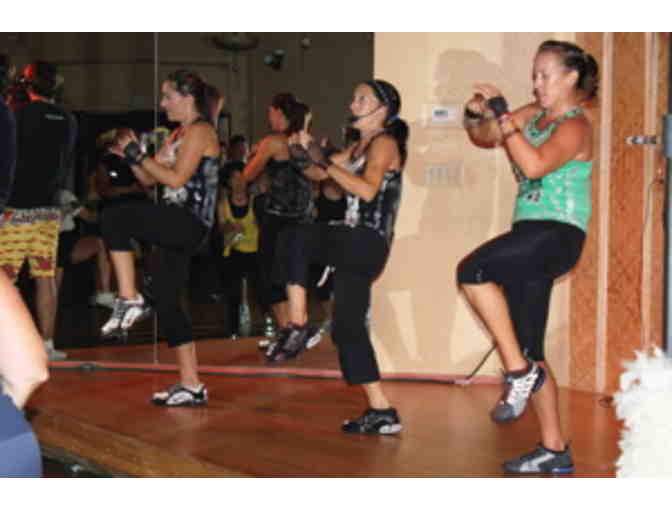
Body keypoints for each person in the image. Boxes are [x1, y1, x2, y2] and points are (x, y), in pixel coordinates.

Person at [459, 40, 598, 474]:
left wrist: (503, 114)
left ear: (571, 78)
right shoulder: (533, 115)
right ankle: (554, 449)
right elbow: (486, 136)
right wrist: (477, 114)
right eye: (534, 75)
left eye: (545, 75)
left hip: (558, 233)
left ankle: (518, 373)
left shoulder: (576, 126)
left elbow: (535, 165)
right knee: (530, 348)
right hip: (530, 235)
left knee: (471, 270)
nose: (536, 83)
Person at [270, 79, 408, 435]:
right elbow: (319, 173)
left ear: (383, 110)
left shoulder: (385, 143)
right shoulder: (357, 146)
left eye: (362, 99)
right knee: (348, 329)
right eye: (353, 98)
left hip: (366, 240)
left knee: (295, 235)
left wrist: (324, 163)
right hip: (353, 244)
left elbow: (367, 189)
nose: (353, 103)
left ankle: (298, 323)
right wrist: (302, 153)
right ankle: (381, 410)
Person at [100, 70, 220, 407]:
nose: (163, 103)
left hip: (189, 222)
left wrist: (141, 157)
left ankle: (128, 297)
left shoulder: (200, 131)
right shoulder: (178, 134)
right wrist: (131, 157)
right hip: (174, 222)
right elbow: (150, 180)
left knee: (114, 218)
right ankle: (191, 385)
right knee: (168, 301)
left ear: (187, 98)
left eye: (168, 96)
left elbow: (177, 179)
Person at [0, 60, 77, 362]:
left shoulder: (16, 115)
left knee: (5, 280)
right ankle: (47, 344)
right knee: (45, 277)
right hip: (48, 211)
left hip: (15, 210)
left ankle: (9, 348)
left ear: (27, 83)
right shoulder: (68, 120)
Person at [241, 93, 318, 343]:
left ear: (278, 113)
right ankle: (295, 329)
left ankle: (288, 333)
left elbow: (247, 174)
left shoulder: (273, 141)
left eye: (270, 113)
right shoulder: (304, 141)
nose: (268, 117)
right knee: (294, 276)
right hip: (303, 219)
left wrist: (255, 155)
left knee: (271, 278)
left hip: (278, 219)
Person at [217, 166, 260, 337]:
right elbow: (221, 227)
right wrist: (231, 227)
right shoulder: (223, 203)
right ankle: (233, 331)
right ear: (229, 182)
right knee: (232, 293)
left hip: (255, 251)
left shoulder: (255, 200)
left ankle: (267, 322)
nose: (239, 182)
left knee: (262, 290)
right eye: (235, 178)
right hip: (233, 251)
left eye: (242, 177)